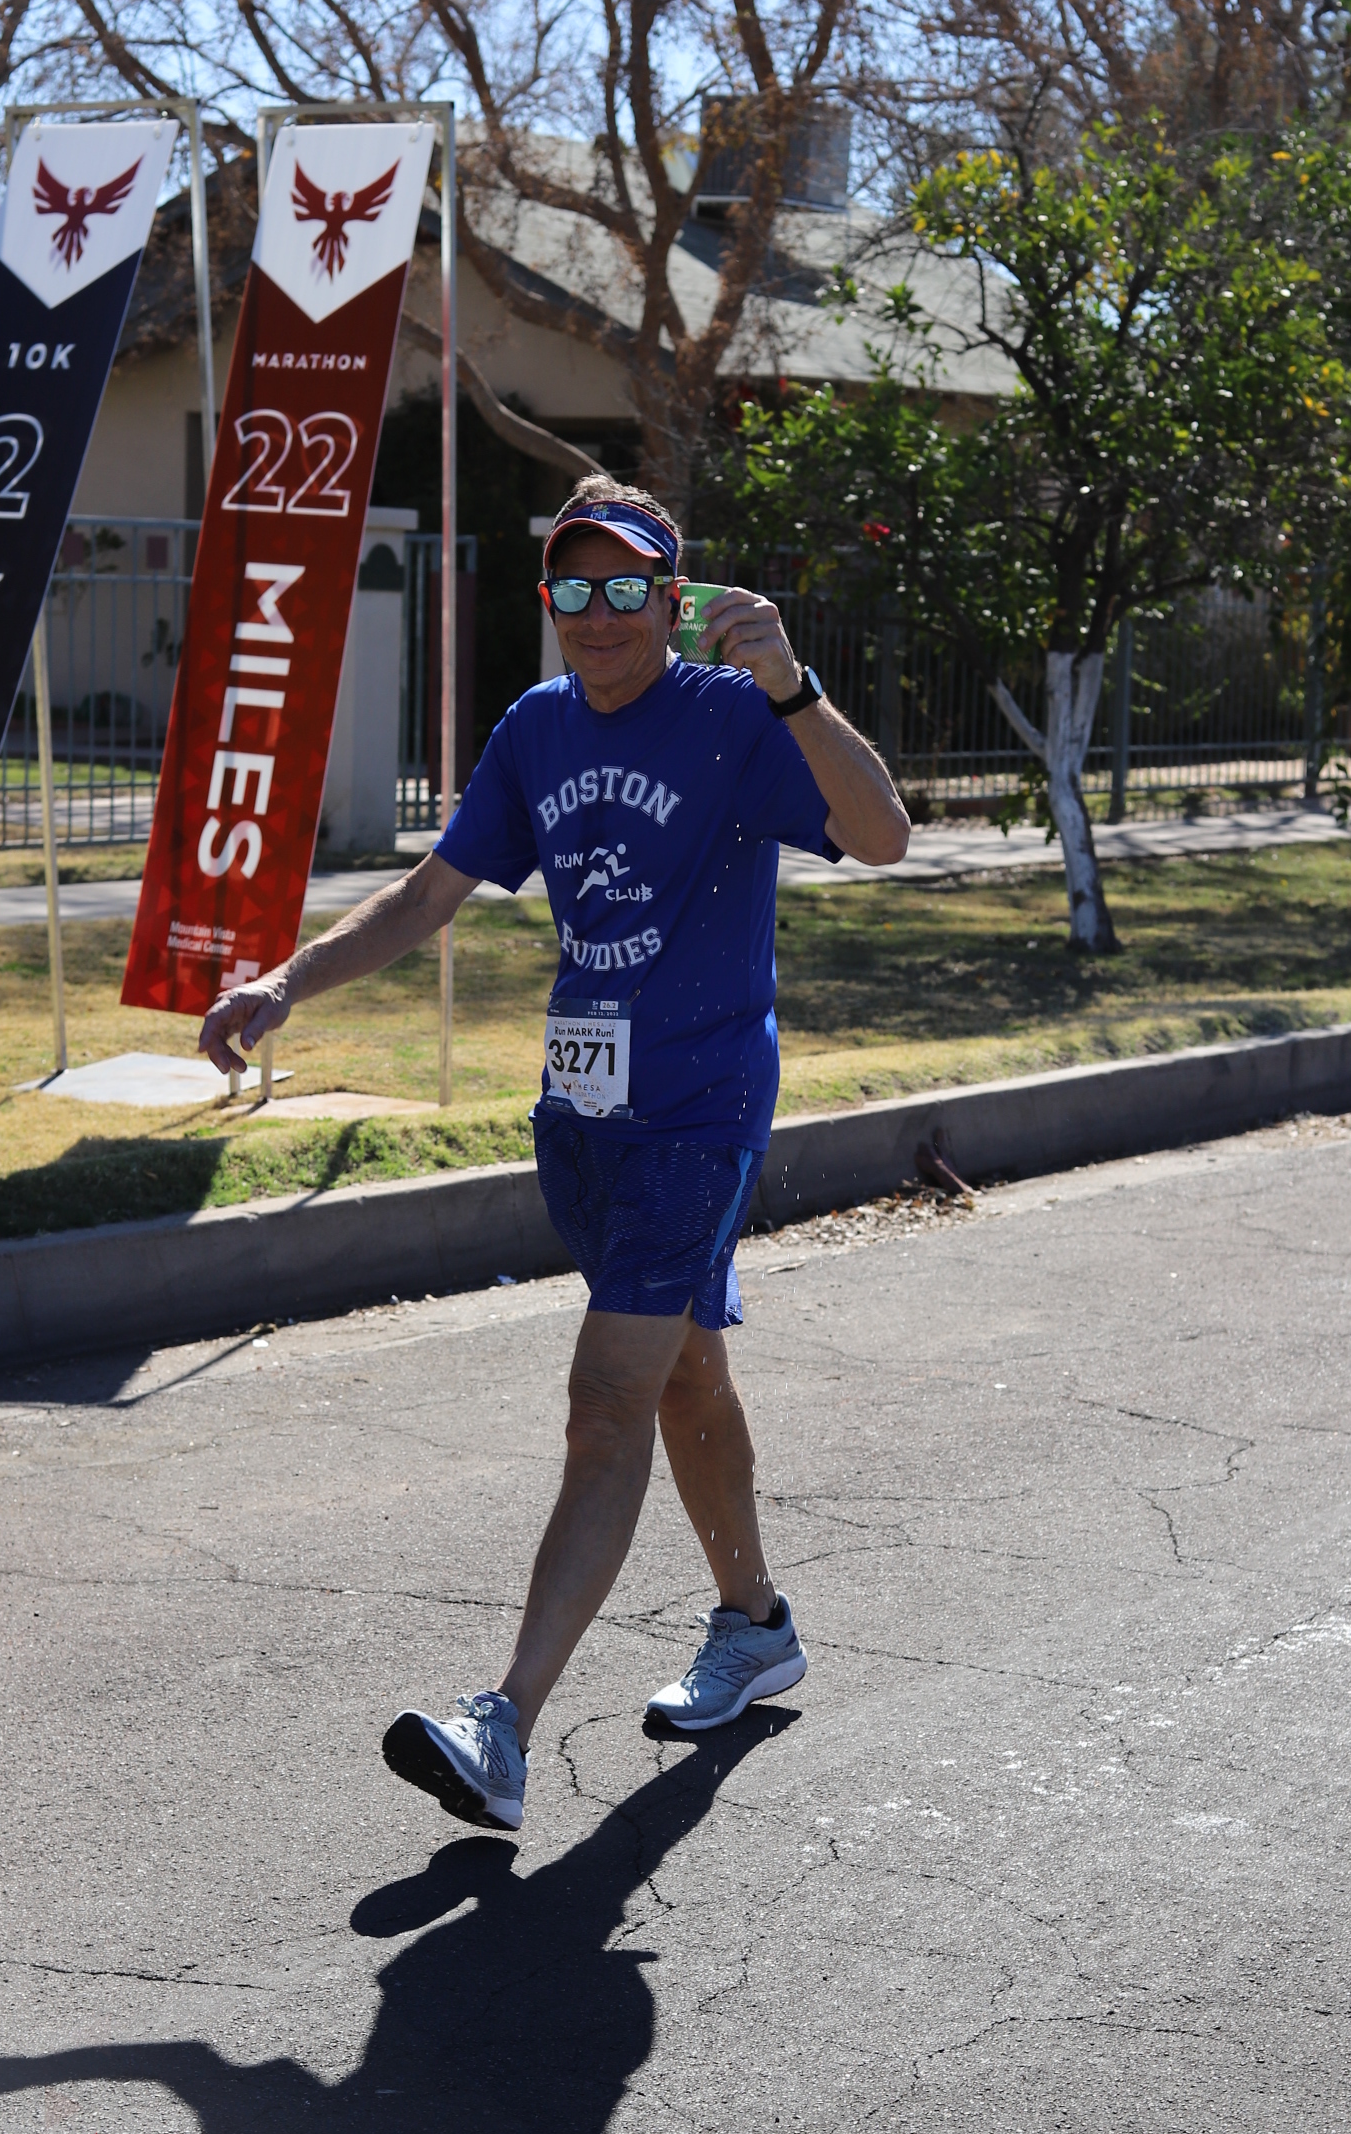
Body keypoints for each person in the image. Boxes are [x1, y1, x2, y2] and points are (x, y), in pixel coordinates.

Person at [198, 477, 910, 1834]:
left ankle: (504, 1725)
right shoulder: (535, 728)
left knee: (606, 1400)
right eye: (572, 589)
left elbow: (882, 838)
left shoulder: (734, 716)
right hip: (581, 1117)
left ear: (673, 598)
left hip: (700, 1111)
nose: (598, 614)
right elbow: (431, 892)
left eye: (625, 586)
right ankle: (756, 1624)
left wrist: (794, 687)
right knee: (684, 1372)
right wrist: (286, 983)